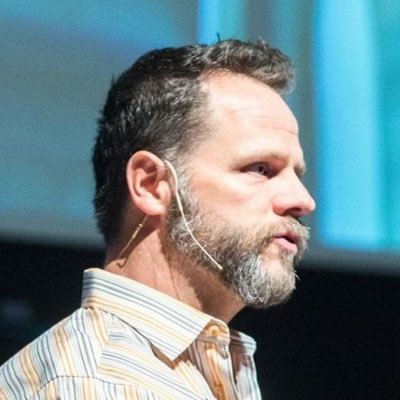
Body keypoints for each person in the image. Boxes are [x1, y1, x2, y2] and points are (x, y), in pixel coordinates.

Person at [0, 39, 315, 399]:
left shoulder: (193, 371)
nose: (303, 201)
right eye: (260, 169)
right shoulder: (100, 385)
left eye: (298, 175)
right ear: (151, 185)